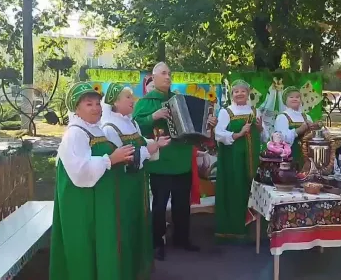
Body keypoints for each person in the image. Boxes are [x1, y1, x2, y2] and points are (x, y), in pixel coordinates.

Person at [50, 82, 136, 280]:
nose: (96, 108)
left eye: (98, 103)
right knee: (83, 247)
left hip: (97, 200)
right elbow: (80, 172)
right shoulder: (75, 133)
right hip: (81, 203)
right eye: (89, 104)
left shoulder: (96, 130)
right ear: (76, 108)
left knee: (100, 244)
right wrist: (110, 159)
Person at [133, 62, 216, 261]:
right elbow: (135, 125)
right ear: (153, 77)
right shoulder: (146, 102)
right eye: (164, 73)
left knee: (182, 204)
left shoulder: (179, 99)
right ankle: (157, 243)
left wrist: (209, 123)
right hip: (161, 162)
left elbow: (197, 130)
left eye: (170, 74)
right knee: (160, 205)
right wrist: (154, 116)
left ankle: (182, 238)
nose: (168, 77)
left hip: (181, 161)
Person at [100, 83, 171, 278]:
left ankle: (138, 266)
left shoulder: (131, 122)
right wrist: (150, 149)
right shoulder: (109, 128)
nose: (133, 101)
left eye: (132, 97)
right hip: (123, 185)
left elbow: (139, 142)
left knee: (139, 219)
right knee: (126, 223)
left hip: (138, 182)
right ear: (115, 101)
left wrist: (156, 144)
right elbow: (123, 158)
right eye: (128, 97)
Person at [214, 79, 262, 242]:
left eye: (243, 91)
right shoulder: (226, 112)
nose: (240, 94)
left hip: (252, 160)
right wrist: (238, 134)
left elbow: (263, 136)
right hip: (232, 160)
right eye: (236, 91)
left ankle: (254, 231)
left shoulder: (255, 111)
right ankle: (233, 228)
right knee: (235, 189)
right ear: (232, 94)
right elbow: (219, 134)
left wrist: (260, 128)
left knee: (253, 191)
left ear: (248, 93)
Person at [274, 86, 320, 168]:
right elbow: (280, 139)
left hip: (307, 155)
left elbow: (312, 137)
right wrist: (298, 130)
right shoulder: (282, 117)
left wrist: (315, 127)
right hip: (290, 156)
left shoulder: (307, 117)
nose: (295, 99)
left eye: (297, 97)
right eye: (291, 97)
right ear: (285, 100)